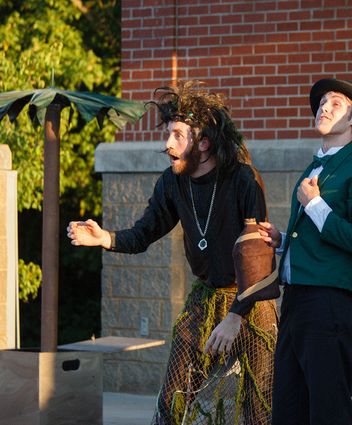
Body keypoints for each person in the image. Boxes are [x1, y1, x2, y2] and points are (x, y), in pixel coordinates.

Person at [67, 81, 277, 425]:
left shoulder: (242, 180)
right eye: (168, 134)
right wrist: (105, 237)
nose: (168, 144)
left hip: (249, 304)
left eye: (178, 135)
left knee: (261, 405)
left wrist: (236, 316)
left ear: (204, 143)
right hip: (206, 299)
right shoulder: (172, 183)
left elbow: (259, 255)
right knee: (173, 401)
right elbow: (143, 233)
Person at [258, 78, 352, 425]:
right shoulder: (314, 167)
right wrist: (284, 240)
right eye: (322, 103)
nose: (324, 108)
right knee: (288, 407)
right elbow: (316, 237)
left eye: (335, 104)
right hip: (296, 300)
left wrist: (315, 205)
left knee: (328, 409)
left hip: (328, 303)